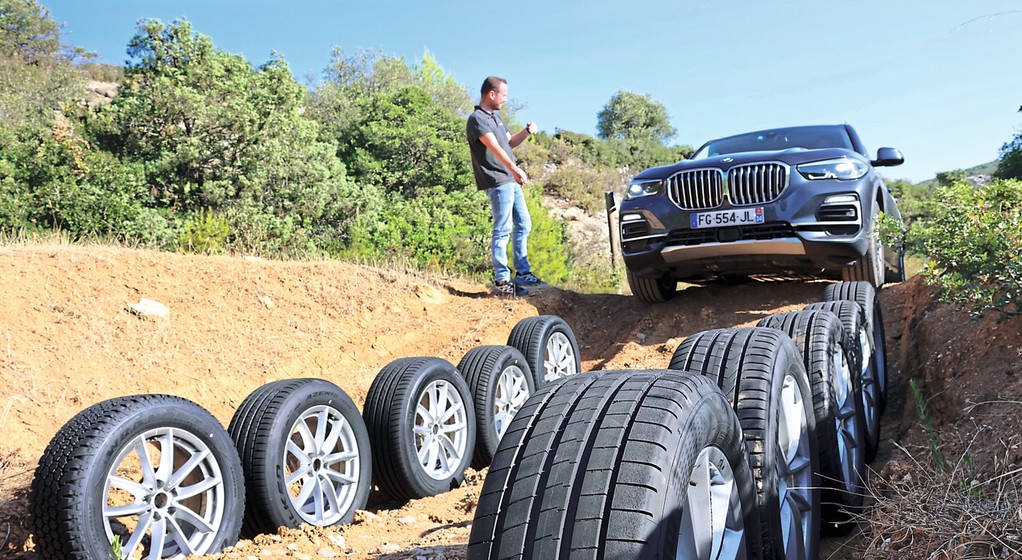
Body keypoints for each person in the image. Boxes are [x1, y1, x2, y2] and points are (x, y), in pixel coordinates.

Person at [466, 76, 545, 297]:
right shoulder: (477, 119)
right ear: (491, 94)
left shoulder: (496, 118)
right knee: (503, 228)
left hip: (509, 179)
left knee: (524, 223)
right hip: (498, 180)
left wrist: (527, 132)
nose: (506, 99)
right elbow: (494, 147)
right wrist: (514, 168)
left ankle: (523, 272)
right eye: (504, 94)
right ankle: (502, 281)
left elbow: (508, 143)